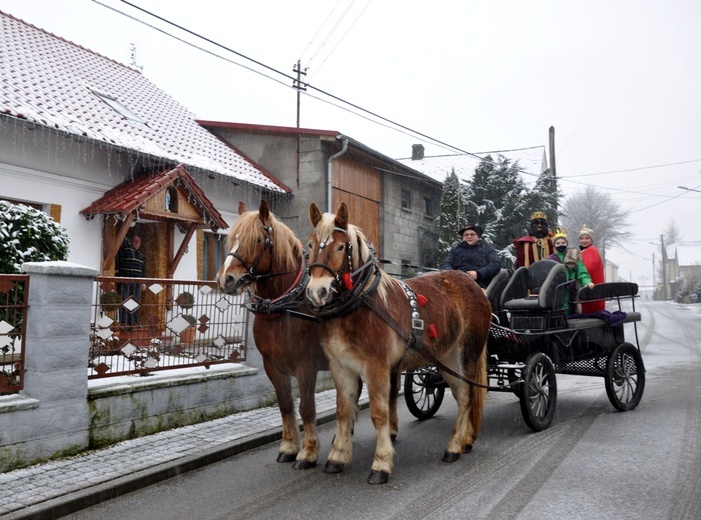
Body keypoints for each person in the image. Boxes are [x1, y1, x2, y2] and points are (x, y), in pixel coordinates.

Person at [547, 229, 594, 314]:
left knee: (570, 311)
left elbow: (582, 272)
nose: (561, 245)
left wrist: (587, 282)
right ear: (554, 245)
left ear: (567, 244)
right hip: (556, 290)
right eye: (558, 243)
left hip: (570, 290)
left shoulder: (573, 256)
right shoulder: (551, 259)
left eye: (563, 243)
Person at [442, 224, 501, 288]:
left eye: (472, 234)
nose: (469, 237)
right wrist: (452, 274)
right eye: (466, 235)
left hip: (480, 285)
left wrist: (478, 274)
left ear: (478, 236)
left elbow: (495, 264)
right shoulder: (455, 249)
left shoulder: (486, 248)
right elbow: (447, 263)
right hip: (456, 283)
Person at [116, 234, 147, 325]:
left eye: (138, 241)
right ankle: (124, 322)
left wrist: (143, 282)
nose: (136, 243)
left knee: (135, 302)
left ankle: (134, 322)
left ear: (140, 243)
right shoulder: (125, 250)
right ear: (131, 241)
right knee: (125, 300)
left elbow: (143, 269)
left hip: (137, 282)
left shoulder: (141, 255)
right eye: (135, 241)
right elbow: (118, 256)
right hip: (126, 280)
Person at [578, 225, 605, 313]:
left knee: (590, 307)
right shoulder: (584, 251)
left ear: (591, 240)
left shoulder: (592, 251)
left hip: (591, 284)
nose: (584, 240)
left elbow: (588, 268)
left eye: (587, 238)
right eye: (581, 238)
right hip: (588, 284)